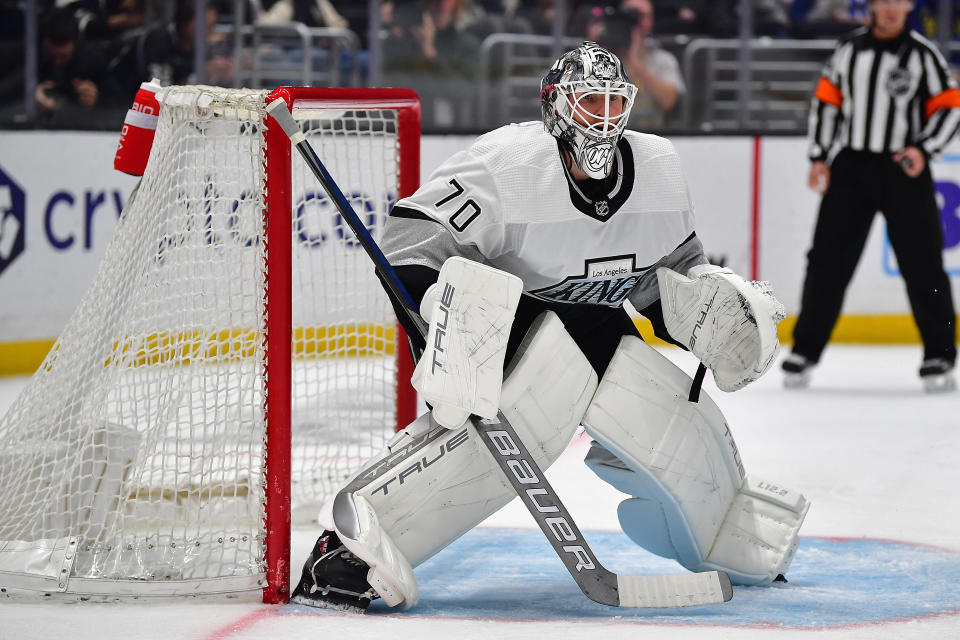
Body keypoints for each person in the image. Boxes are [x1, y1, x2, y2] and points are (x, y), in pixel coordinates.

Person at [290, 41, 808, 612]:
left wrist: (704, 312)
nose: (605, 119)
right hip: (500, 336)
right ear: (557, 106)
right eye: (591, 104)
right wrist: (439, 321)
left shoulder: (658, 169)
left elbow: (663, 280)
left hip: (595, 331)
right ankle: (346, 548)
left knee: (666, 413)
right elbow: (410, 240)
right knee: (547, 387)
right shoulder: (505, 166)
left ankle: (725, 527)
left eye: (615, 103)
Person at [783, 0, 959, 392]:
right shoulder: (848, 50)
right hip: (851, 169)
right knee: (827, 261)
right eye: (885, 0)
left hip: (903, 170)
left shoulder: (923, 55)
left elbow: (950, 108)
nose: (893, 7)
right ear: (872, 6)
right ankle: (804, 350)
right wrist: (819, 156)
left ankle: (940, 354)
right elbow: (827, 105)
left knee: (924, 263)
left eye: (900, 0)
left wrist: (924, 149)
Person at [613, 0, 686, 129]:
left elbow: (668, 101)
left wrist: (636, 62)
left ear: (651, 21)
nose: (637, 22)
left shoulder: (664, 60)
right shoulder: (603, 58)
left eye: (644, 16)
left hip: (651, 138)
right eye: (631, 15)